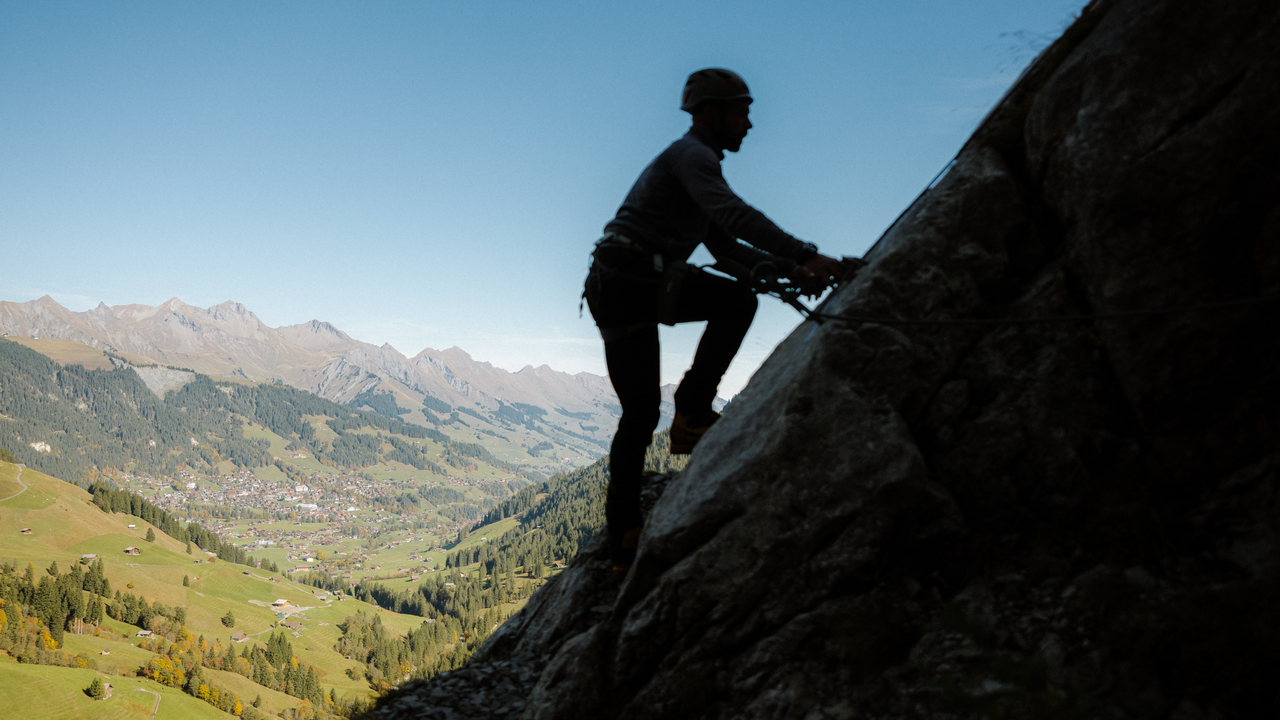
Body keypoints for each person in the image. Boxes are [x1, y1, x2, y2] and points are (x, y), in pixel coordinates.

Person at [583, 68, 841, 574]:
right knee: (737, 303)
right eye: (741, 111)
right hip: (634, 279)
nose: (748, 124)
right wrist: (807, 255)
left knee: (638, 416)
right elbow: (736, 217)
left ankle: (623, 540)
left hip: (617, 283)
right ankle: (693, 412)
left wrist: (788, 270)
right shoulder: (693, 157)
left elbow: (726, 249)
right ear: (711, 113)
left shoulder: (690, 167)